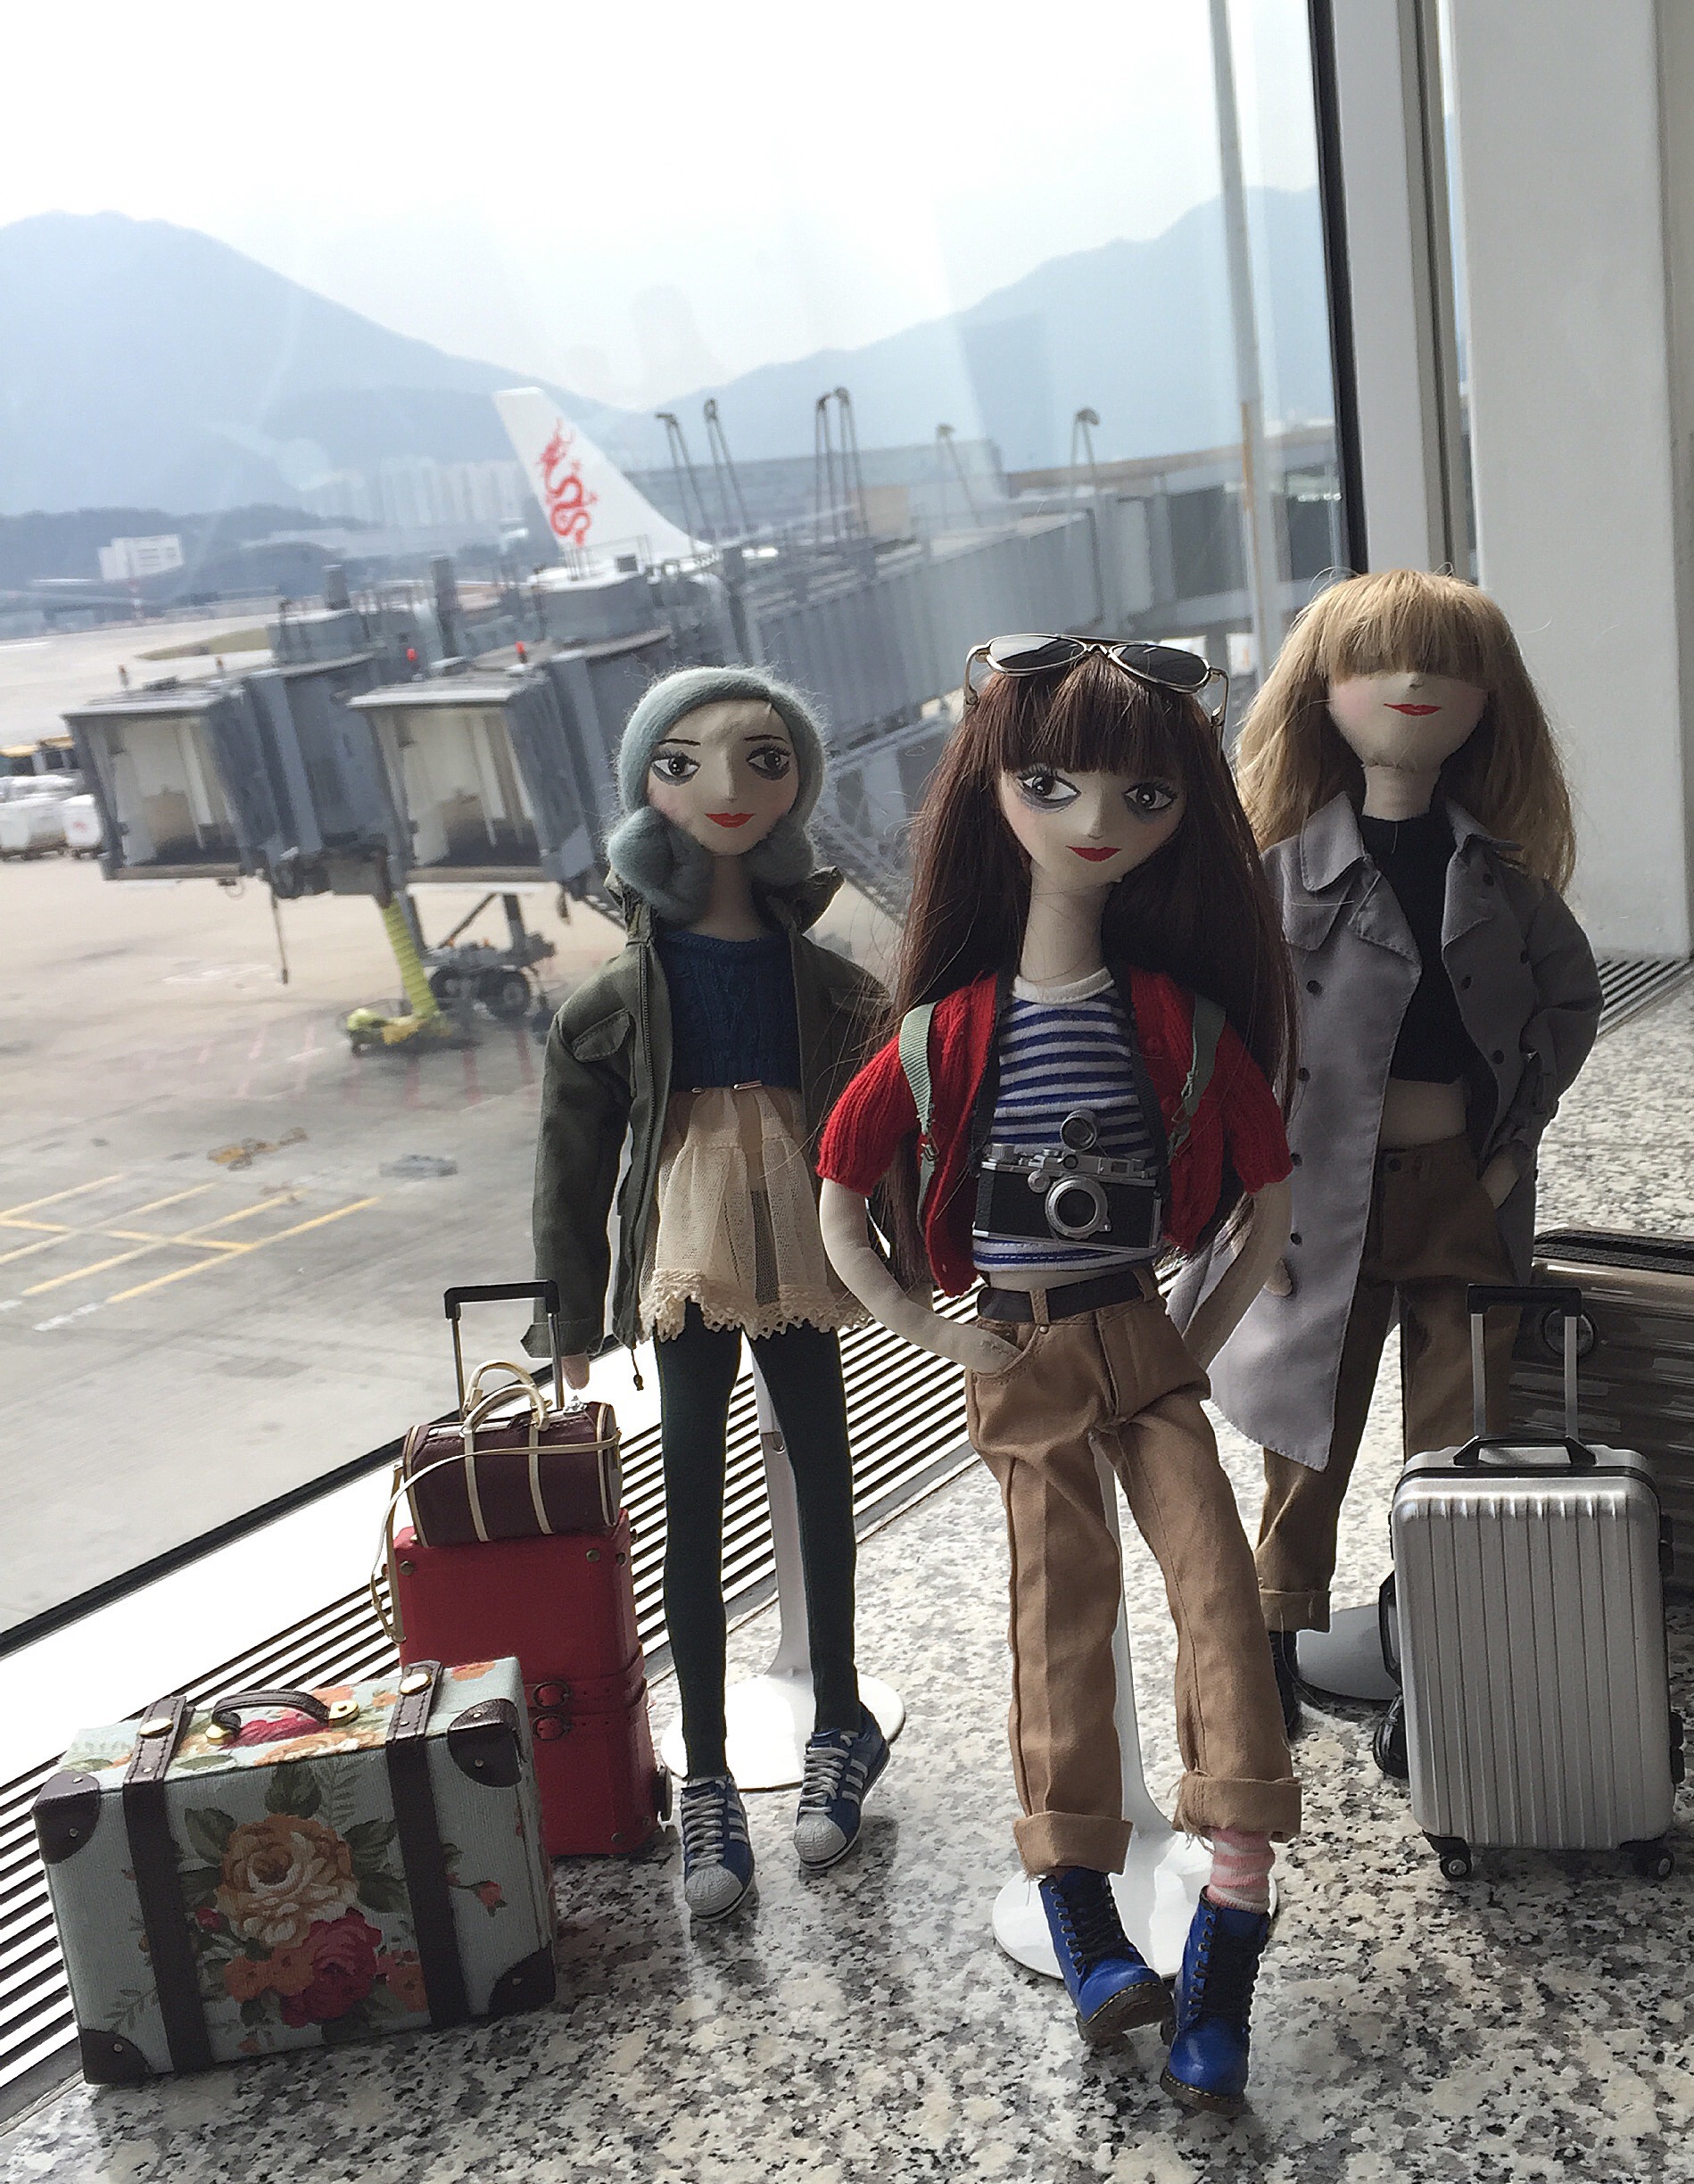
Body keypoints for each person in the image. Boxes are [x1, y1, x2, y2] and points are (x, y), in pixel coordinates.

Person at [814, 636, 1300, 2117]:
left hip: (1138, 1327)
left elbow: (1267, 1199)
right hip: (1015, 1343)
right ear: (995, 790)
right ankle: (1087, 1929)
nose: (1094, 820)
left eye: (1142, 794)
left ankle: (1227, 1939)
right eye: (1050, 785)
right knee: (1056, 1615)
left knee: (1221, 1594)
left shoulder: (1178, 1020)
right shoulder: (940, 1035)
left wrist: (1194, 1337)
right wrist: (933, 1329)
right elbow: (839, 1195)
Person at [1210, 570, 1604, 1736]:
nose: (1415, 683)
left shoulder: (1501, 879)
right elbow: (1225, 1046)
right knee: (1305, 1435)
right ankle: (1271, 1645)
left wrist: (1509, 1150)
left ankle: (1444, 1648)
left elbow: (1567, 1008)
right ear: (1322, 695)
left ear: (1490, 700)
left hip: (1459, 1189)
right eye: (1376, 661)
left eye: (1449, 664)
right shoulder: (1278, 878)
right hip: (1312, 1200)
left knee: (1464, 1433)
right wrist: (1246, 1195)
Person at [531, 665, 889, 1921]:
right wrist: (570, 1318)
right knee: (688, 1499)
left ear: (797, 783)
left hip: (808, 1236)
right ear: (647, 791)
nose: (726, 787)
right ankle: (709, 1772)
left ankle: (841, 1720)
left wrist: (928, 1257)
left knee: (827, 1478)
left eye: (762, 760)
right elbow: (571, 1168)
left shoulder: (833, 983)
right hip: (688, 1248)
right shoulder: (616, 999)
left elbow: (896, 1124)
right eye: (683, 765)